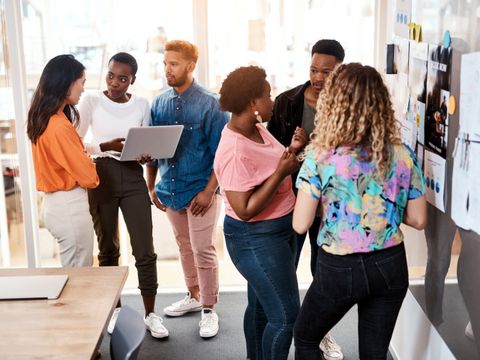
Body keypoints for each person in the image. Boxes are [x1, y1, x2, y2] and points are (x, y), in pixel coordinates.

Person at [292, 63, 427, 360]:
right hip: (390, 266)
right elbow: (418, 219)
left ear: (334, 103)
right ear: (380, 103)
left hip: (339, 268)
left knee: (305, 339)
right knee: (374, 353)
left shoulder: (321, 156)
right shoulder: (401, 153)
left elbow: (301, 223)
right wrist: (381, 205)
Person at [214, 66, 307, 360]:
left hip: (279, 231)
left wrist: (291, 150)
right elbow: (244, 210)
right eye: (268, 95)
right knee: (285, 318)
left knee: (260, 309)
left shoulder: (257, 129)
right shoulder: (234, 149)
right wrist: (281, 172)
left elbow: (264, 169)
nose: (272, 100)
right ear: (253, 103)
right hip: (255, 238)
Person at [78, 52, 168, 339]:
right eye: (111, 76)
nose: (115, 83)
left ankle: (151, 314)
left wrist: (145, 155)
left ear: (133, 80)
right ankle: (114, 310)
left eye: (123, 78)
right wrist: (105, 144)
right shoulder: (91, 100)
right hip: (101, 174)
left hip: (132, 175)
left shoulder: (142, 103)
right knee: (108, 248)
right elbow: (75, 143)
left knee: (144, 248)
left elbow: (147, 144)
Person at [267, 38, 345, 360]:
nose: (318, 77)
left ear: (339, 70)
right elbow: (271, 152)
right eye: (314, 69)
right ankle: (286, 330)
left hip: (330, 203)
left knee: (323, 272)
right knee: (287, 267)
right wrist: (295, 157)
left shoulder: (348, 106)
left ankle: (322, 332)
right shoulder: (287, 101)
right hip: (293, 200)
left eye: (326, 72)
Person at [146, 40, 229, 339]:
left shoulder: (211, 103)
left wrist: (209, 191)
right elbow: (152, 149)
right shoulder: (158, 102)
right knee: (184, 248)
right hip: (169, 190)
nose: (167, 69)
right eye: (165, 63)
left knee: (203, 249)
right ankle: (194, 296)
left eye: (174, 64)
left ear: (191, 66)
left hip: (201, 190)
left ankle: (209, 308)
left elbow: (223, 153)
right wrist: (150, 184)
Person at [27, 54, 99, 267]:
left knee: (74, 273)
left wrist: (85, 155)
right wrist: (89, 162)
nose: (83, 89)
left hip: (55, 204)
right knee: (78, 278)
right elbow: (89, 178)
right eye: (82, 83)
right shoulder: (59, 126)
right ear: (67, 83)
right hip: (69, 205)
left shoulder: (46, 119)